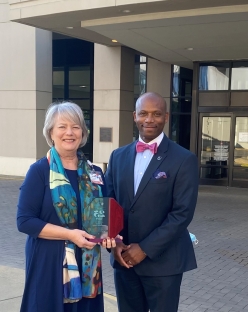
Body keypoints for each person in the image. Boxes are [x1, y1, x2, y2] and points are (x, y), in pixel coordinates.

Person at [17, 101, 117, 312]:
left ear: (83, 132)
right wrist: (70, 235)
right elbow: (25, 221)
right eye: (62, 127)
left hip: (88, 263)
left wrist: (109, 237)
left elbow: (101, 218)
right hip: (50, 263)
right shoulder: (39, 171)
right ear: (51, 133)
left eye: (76, 126)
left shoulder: (95, 172)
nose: (69, 133)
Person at [105, 92, 199, 312]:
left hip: (163, 263)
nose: (149, 119)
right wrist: (115, 244)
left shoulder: (184, 159)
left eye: (156, 114)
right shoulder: (117, 156)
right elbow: (108, 203)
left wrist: (145, 249)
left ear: (166, 117)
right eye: (144, 113)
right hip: (124, 260)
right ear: (134, 116)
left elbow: (182, 214)